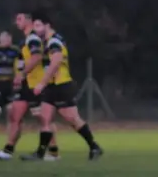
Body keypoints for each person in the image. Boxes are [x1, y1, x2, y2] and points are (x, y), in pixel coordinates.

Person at [28, 11, 103, 161]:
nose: (35, 30)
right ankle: (40, 153)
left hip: (61, 85)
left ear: (47, 25)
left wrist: (41, 82)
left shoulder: (54, 41)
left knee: (73, 120)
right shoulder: (48, 41)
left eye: (38, 26)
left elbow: (56, 61)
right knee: (45, 118)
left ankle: (94, 146)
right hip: (51, 86)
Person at [0, 12, 58, 161]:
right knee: (15, 116)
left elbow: (37, 57)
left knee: (43, 119)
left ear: (29, 21)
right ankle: (8, 151)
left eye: (20, 19)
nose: (17, 22)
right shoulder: (24, 41)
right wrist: (20, 75)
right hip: (26, 85)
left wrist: (22, 73)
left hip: (36, 84)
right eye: (16, 19)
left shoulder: (33, 38)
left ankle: (53, 152)